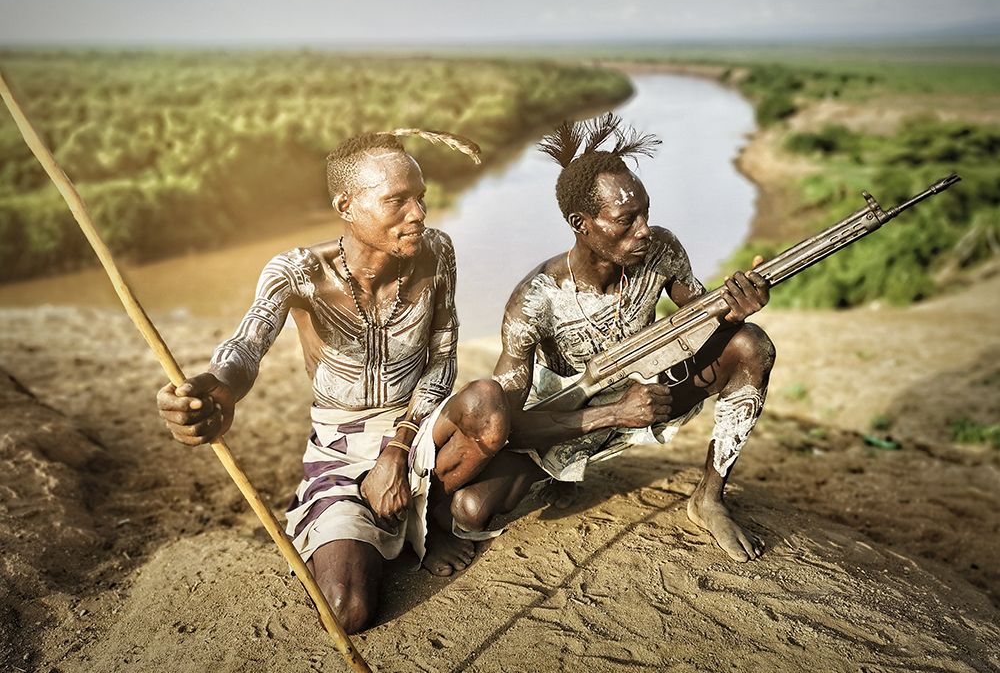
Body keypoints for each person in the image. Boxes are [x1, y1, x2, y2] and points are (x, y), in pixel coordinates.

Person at [156, 129, 508, 632]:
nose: (419, 214)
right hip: (340, 449)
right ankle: (376, 518)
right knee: (348, 610)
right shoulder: (298, 272)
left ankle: (435, 516)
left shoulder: (437, 252)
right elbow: (246, 344)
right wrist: (219, 385)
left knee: (487, 404)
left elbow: (443, 357)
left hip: (418, 427)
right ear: (346, 204)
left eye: (421, 198)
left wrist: (399, 448)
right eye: (398, 200)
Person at [450, 113, 775, 563]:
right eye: (626, 219)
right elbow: (508, 424)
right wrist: (615, 413)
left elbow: (701, 322)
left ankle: (709, 498)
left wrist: (734, 309)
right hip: (572, 420)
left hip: (651, 394)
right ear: (581, 223)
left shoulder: (660, 250)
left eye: (645, 213)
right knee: (473, 509)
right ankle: (558, 475)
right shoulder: (535, 301)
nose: (643, 229)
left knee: (749, 344)